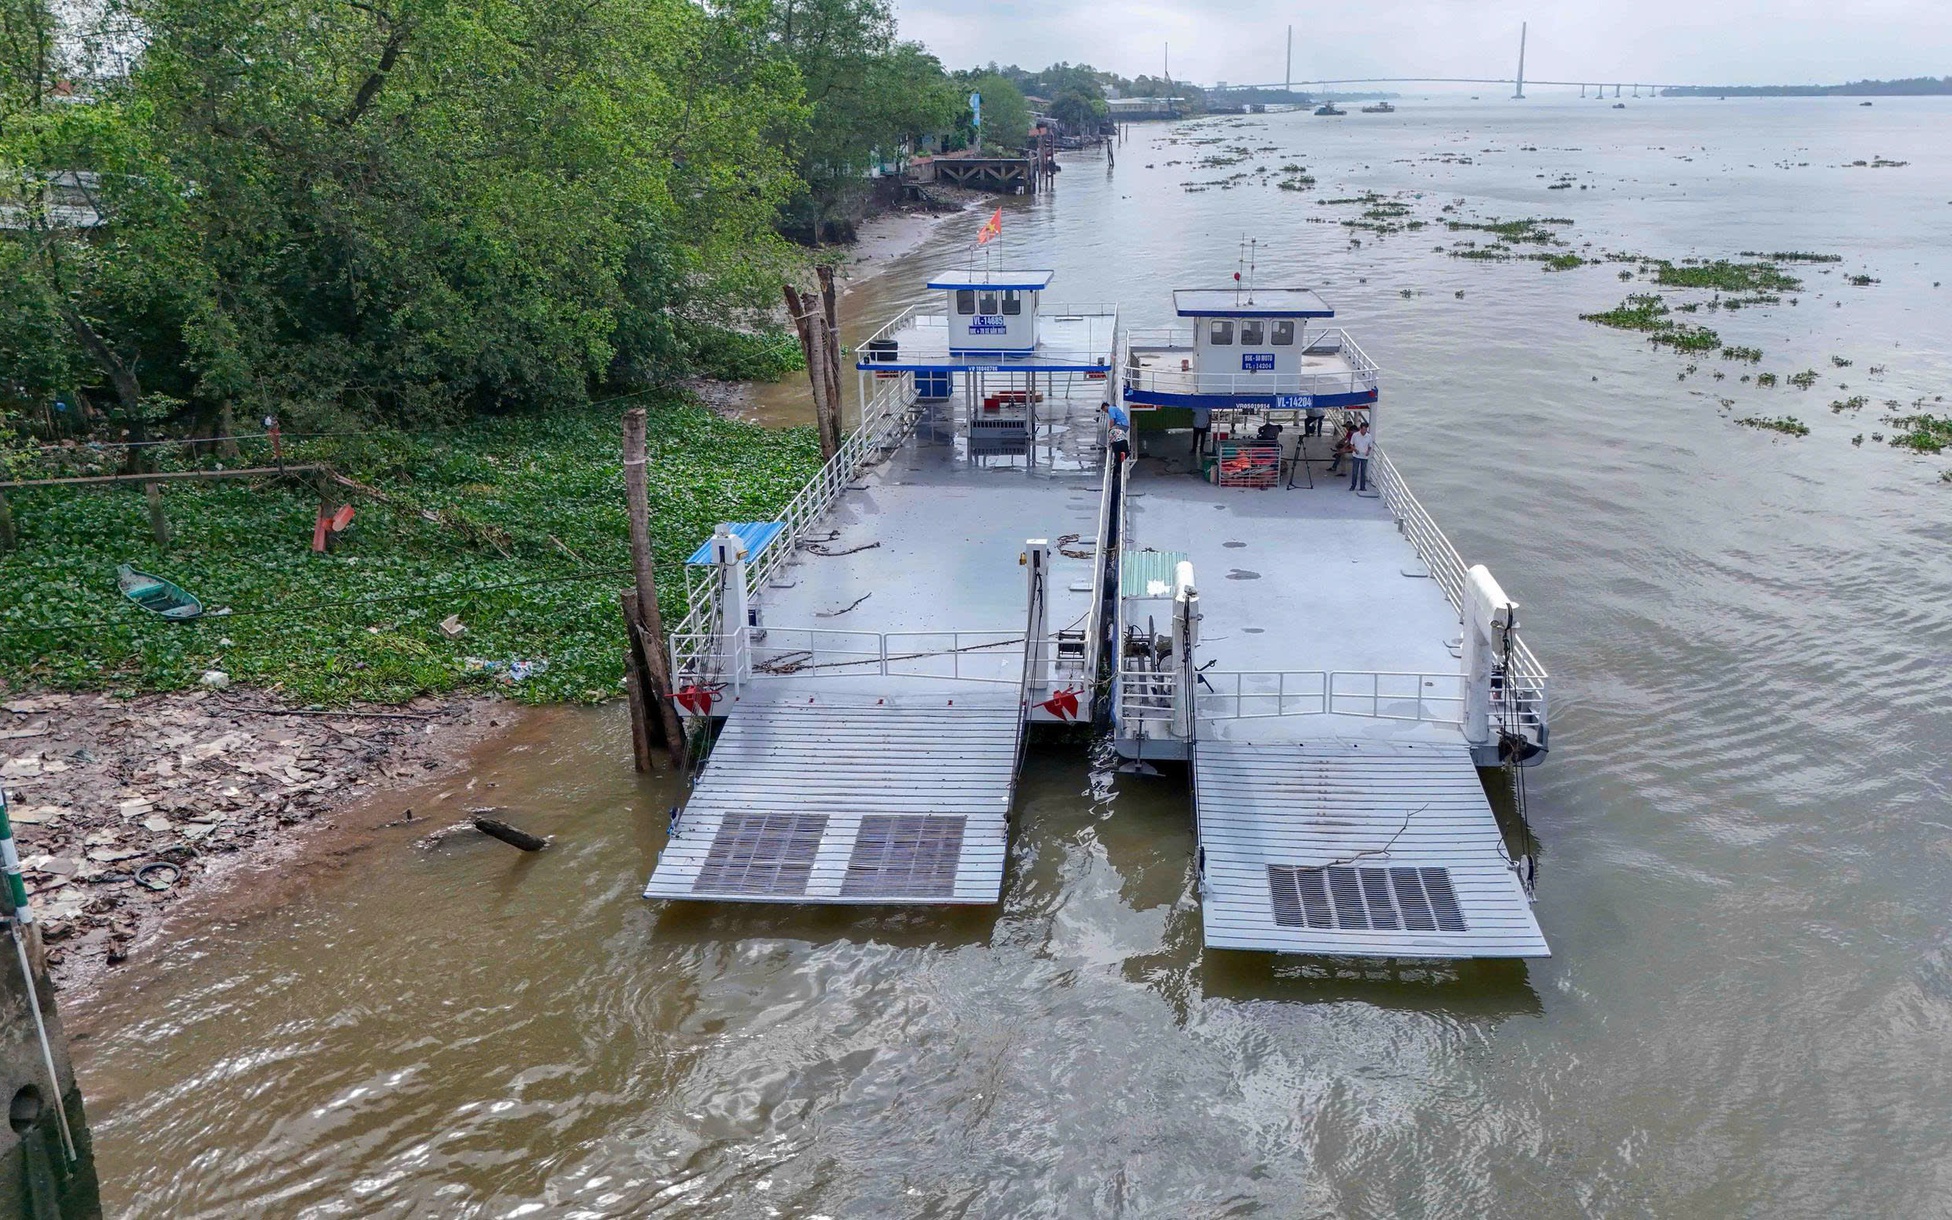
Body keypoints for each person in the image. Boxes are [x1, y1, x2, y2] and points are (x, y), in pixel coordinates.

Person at [1348, 420, 1374, 492]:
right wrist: (1355, 450)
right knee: (1355, 472)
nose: (1364, 431)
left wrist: (1368, 452)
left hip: (1364, 457)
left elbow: (1370, 446)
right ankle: (1353, 486)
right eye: (1363, 429)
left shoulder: (1369, 436)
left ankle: (1362, 487)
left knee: (1363, 472)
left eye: (1365, 429)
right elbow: (1351, 444)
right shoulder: (1355, 435)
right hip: (1356, 456)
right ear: (1360, 428)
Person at [1103, 400, 1131, 464]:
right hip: (1124, 426)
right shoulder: (1114, 408)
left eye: (1104, 410)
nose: (1105, 412)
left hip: (1122, 425)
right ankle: (1122, 454)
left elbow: (1112, 420)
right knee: (1118, 438)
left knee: (1113, 434)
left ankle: (1118, 454)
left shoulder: (1110, 409)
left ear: (1105, 407)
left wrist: (1110, 429)